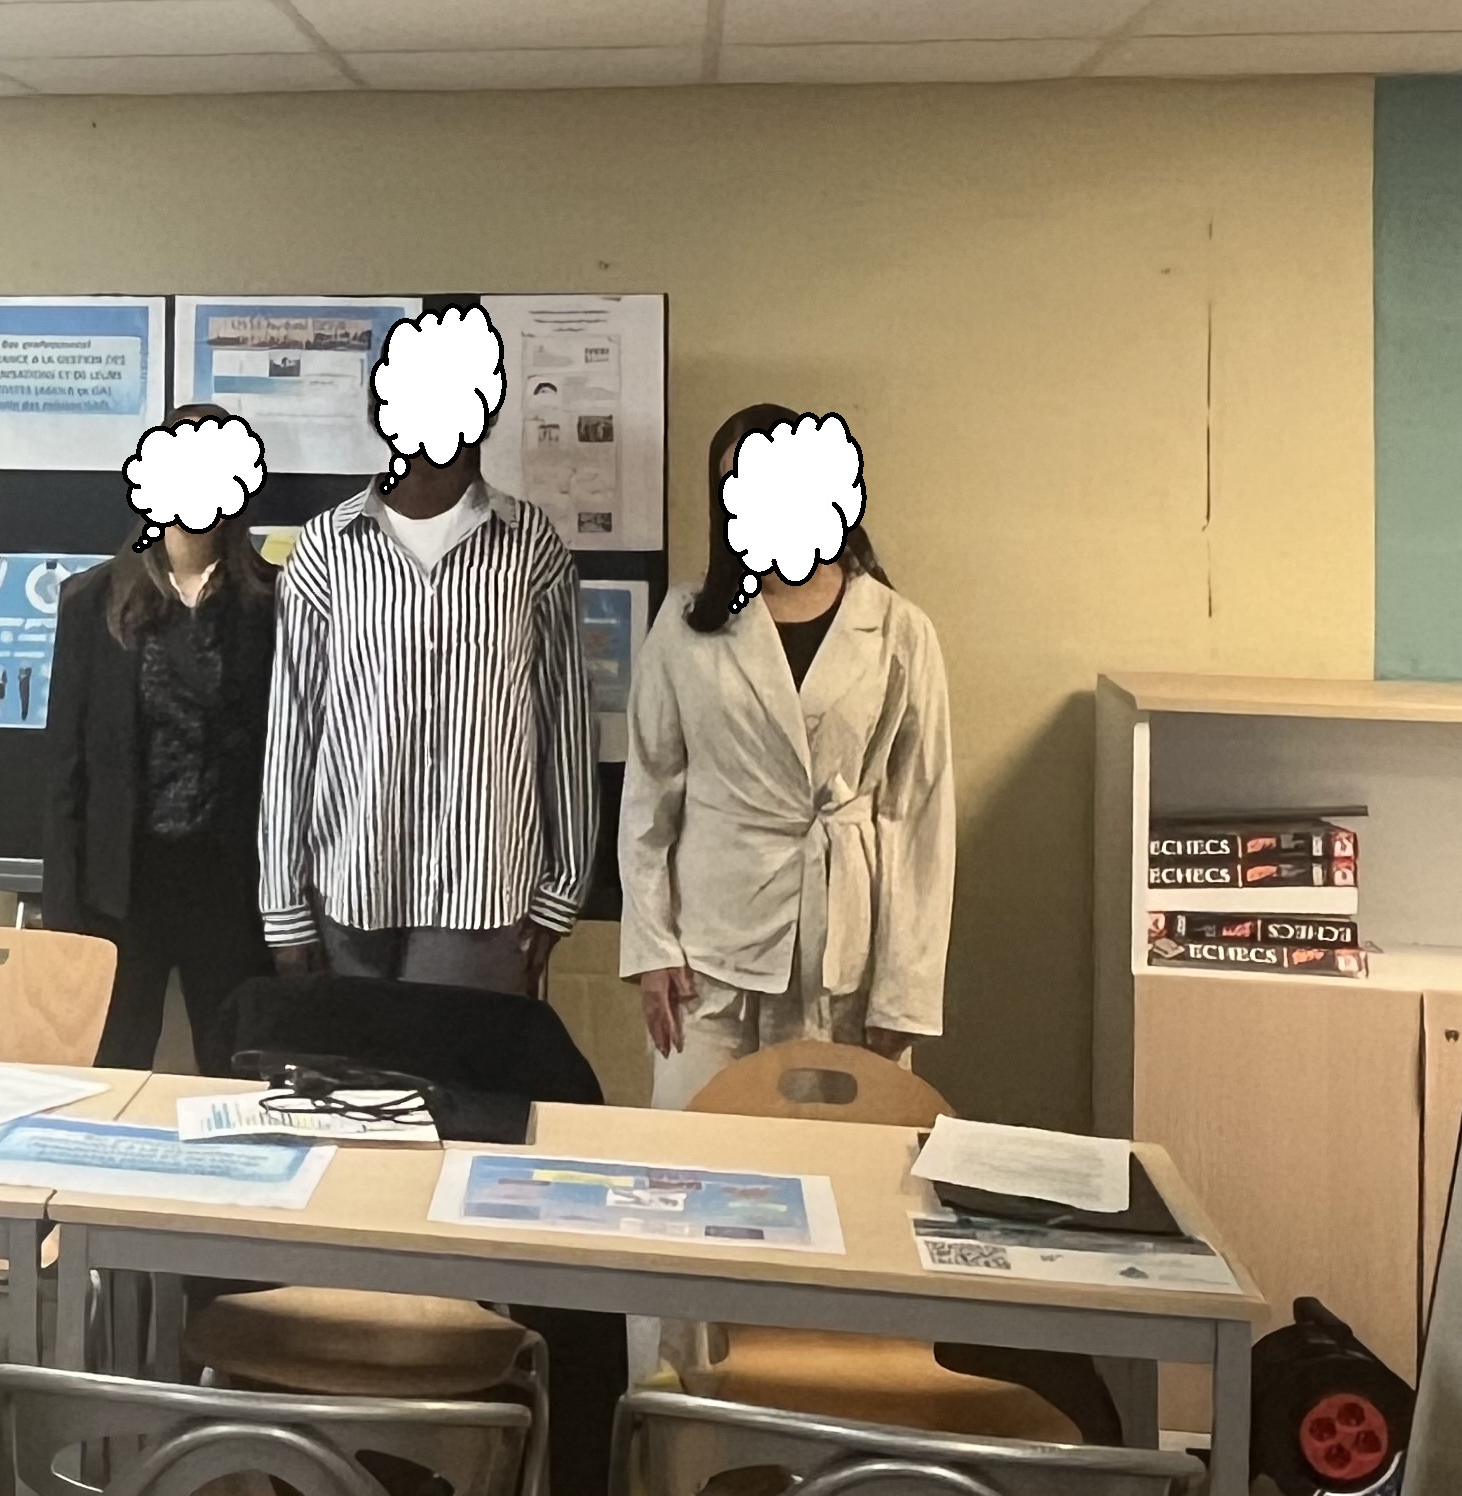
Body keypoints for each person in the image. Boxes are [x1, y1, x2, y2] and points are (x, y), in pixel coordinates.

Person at [620, 403, 957, 1103]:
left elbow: (919, 818)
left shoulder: (898, 629)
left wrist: (905, 994)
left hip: (847, 960)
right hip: (708, 957)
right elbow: (649, 795)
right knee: (697, 1150)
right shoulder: (686, 625)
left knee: (835, 1158)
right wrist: (652, 948)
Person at [258, 301, 595, 991]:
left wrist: (562, 890)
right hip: (351, 887)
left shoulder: (531, 546)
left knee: (463, 1065)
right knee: (353, 1066)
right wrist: (282, 906)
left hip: (486, 895)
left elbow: (565, 723)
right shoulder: (327, 548)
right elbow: (292, 733)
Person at [41, 404, 284, 1067]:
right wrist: (61, 912)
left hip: (232, 891)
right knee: (112, 1072)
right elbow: (65, 770)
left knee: (238, 1076)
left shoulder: (273, 602)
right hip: (121, 891)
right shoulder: (92, 601)